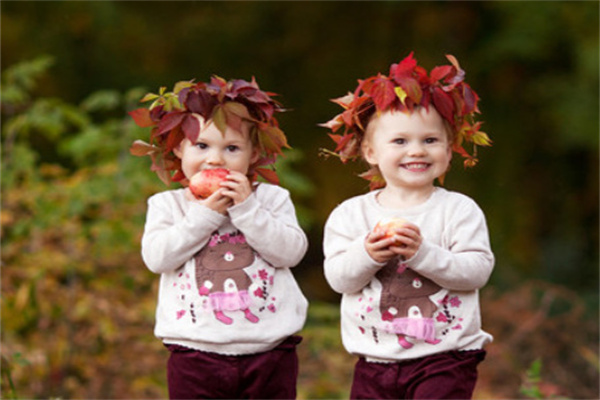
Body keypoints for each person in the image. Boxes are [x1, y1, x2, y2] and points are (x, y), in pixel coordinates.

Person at [321, 52, 494, 399]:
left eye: (430, 140)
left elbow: (476, 272)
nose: (416, 151)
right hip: (374, 359)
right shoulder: (350, 216)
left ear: (448, 150)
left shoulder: (458, 210)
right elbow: (340, 279)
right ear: (370, 152)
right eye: (400, 141)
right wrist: (367, 253)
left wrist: (423, 253)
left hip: (444, 357)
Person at [129, 76, 308, 399]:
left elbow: (290, 253)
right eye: (201, 145)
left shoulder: (271, 200)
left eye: (232, 148)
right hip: (194, 350)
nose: (215, 159)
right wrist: (206, 215)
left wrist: (247, 209)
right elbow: (158, 258)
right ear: (180, 148)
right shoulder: (168, 205)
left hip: (270, 349)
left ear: (253, 154)